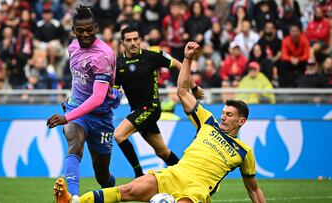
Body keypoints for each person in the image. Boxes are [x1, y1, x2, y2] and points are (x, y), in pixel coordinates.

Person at [53, 41, 266, 203]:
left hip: (197, 188)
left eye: (229, 115)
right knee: (128, 190)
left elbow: (253, 189)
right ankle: (74, 201)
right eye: (224, 112)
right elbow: (182, 91)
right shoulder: (208, 122)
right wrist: (187, 60)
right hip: (173, 174)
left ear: (241, 121)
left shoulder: (243, 151)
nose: (223, 116)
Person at [46, 5, 121, 203]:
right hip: (77, 109)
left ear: (96, 27)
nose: (86, 34)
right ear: (73, 30)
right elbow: (79, 80)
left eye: (90, 29)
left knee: (102, 176)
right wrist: (71, 102)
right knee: (74, 144)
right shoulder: (72, 48)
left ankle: (115, 191)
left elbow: (97, 98)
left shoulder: (103, 56)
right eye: (80, 30)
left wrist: (65, 117)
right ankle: (73, 198)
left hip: (100, 115)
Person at [113, 25, 204, 178]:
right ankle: (187, 177)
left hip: (151, 107)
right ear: (122, 43)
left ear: (141, 40)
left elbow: (178, 64)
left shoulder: (152, 56)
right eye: (129, 40)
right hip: (137, 111)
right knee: (162, 152)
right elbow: (115, 90)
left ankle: (139, 175)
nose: (133, 42)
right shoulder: (118, 64)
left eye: (136, 39)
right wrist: (113, 95)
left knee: (119, 135)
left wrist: (194, 87)